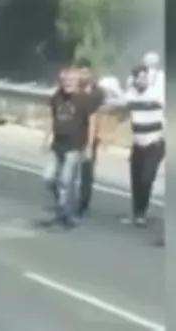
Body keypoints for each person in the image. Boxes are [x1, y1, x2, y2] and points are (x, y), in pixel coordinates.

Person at [42, 67, 101, 228]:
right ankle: (65, 207)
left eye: (70, 81)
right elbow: (52, 119)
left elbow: (92, 124)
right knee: (48, 179)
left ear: (77, 83)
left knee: (66, 181)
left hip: (75, 145)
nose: (67, 84)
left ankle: (63, 214)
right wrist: (46, 137)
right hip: (57, 145)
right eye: (64, 81)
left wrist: (89, 146)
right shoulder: (56, 97)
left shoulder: (85, 100)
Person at [121, 65, 166, 226]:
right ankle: (136, 213)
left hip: (155, 143)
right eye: (139, 77)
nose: (142, 80)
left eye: (144, 76)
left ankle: (141, 213)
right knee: (136, 180)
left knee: (147, 178)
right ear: (133, 79)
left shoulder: (157, 95)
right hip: (138, 144)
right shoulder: (130, 96)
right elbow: (119, 106)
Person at [72, 59, 109, 217]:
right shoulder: (73, 90)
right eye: (81, 71)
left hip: (91, 135)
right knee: (70, 169)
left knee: (87, 171)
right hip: (73, 134)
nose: (83, 75)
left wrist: (103, 135)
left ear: (91, 73)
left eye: (86, 72)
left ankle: (83, 202)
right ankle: (69, 200)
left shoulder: (98, 93)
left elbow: (103, 114)